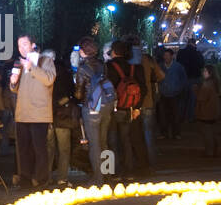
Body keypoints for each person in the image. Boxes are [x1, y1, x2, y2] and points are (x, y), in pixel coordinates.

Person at [12, 35, 56, 188]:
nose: (22, 48)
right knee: (23, 149)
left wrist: (31, 67)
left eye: (25, 44)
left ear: (33, 44)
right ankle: (25, 178)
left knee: (39, 149)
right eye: (19, 45)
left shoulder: (45, 61)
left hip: (39, 114)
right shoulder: (19, 63)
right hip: (22, 113)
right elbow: (16, 88)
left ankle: (41, 179)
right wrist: (13, 83)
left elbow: (49, 79)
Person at [106, 38, 149, 176]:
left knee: (111, 140)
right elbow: (143, 89)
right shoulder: (135, 68)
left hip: (113, 109)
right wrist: (137, 107)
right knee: (126, 140)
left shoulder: (108, 67)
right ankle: (129, 170)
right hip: (129, 109)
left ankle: (111, 171)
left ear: (113, 52)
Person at [74, 37, 113, 183]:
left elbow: (79, 93)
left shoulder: (83, 68)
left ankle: (98, 178)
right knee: (104, 142)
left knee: (94, 144)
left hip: (91, 107)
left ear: (84, 51)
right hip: (106, 104)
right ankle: (108, 174)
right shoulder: (103, 65)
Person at [48, 51, 77, 186]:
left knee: (49, 147)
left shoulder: (43, 74)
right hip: (63, 115)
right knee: (64, 148)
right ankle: (62, 177)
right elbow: (72, 93)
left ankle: (46, 177)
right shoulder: (65, 73)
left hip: (47, 115)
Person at [157, 48, 187, 138]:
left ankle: (176, 133)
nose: (165, 57)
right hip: (164, 94)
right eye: (164, 55)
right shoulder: (160, 66)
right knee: (163, 115)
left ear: (172, 56)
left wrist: (179, 89)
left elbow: (183, 79)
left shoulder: (178, 67)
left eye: (167, 55)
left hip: (175, 94)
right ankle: (164, 132)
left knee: (175, 115)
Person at [194, 64, 221, 158]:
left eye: (205, 71)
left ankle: (210, 152)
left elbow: (201, 98)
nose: (203, 73)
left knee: (207, 133)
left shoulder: (207, 84)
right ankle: (214, 150)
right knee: (211, 132)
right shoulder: (214, 82)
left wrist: (196, 90)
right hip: (212, 111)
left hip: (206, 112)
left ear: (210, 73)